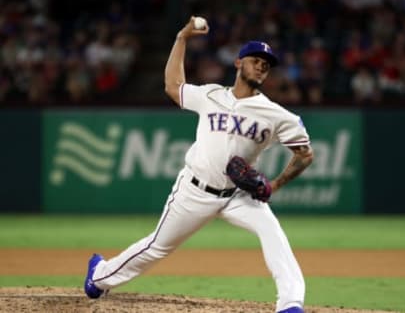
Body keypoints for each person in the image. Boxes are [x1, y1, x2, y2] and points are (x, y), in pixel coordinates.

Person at [84, 16, 314, 313]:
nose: (261, 66)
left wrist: (275, 184)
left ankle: (290, 303)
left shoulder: (276, 114)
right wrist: (182, 38)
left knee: (273, 233)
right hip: (194, 190)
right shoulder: (210, 95)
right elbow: (172, 85)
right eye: (256, 60)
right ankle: (100, 275)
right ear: (238, 63)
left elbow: (305, 154)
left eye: (266, 64)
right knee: (158, 246)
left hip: (238, 194)